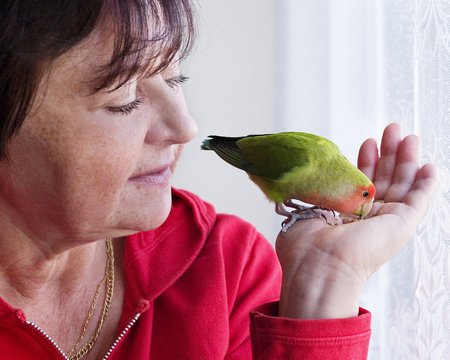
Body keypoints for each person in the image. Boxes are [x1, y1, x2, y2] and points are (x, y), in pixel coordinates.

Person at [0, 1, 437, 359]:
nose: (186, 126)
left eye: (176, 78)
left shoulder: (229, 267)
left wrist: (321, 295)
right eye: (123, 99)